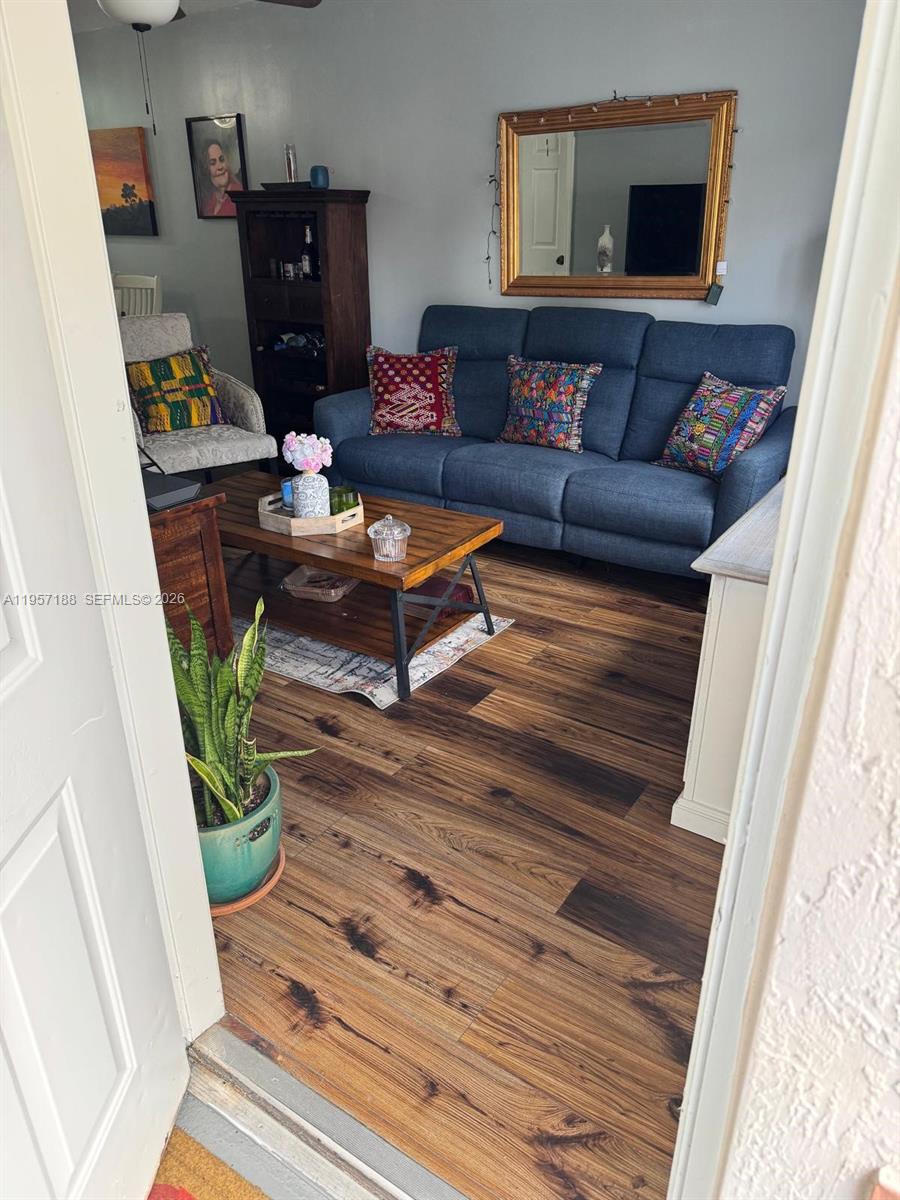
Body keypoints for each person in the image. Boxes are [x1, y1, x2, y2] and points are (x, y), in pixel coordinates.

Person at [198, 138, 243, 217]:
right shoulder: (207, 200)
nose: (220, 167)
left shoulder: (239, 193)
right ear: (205, 169)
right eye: (212, 163)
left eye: (222, 159)